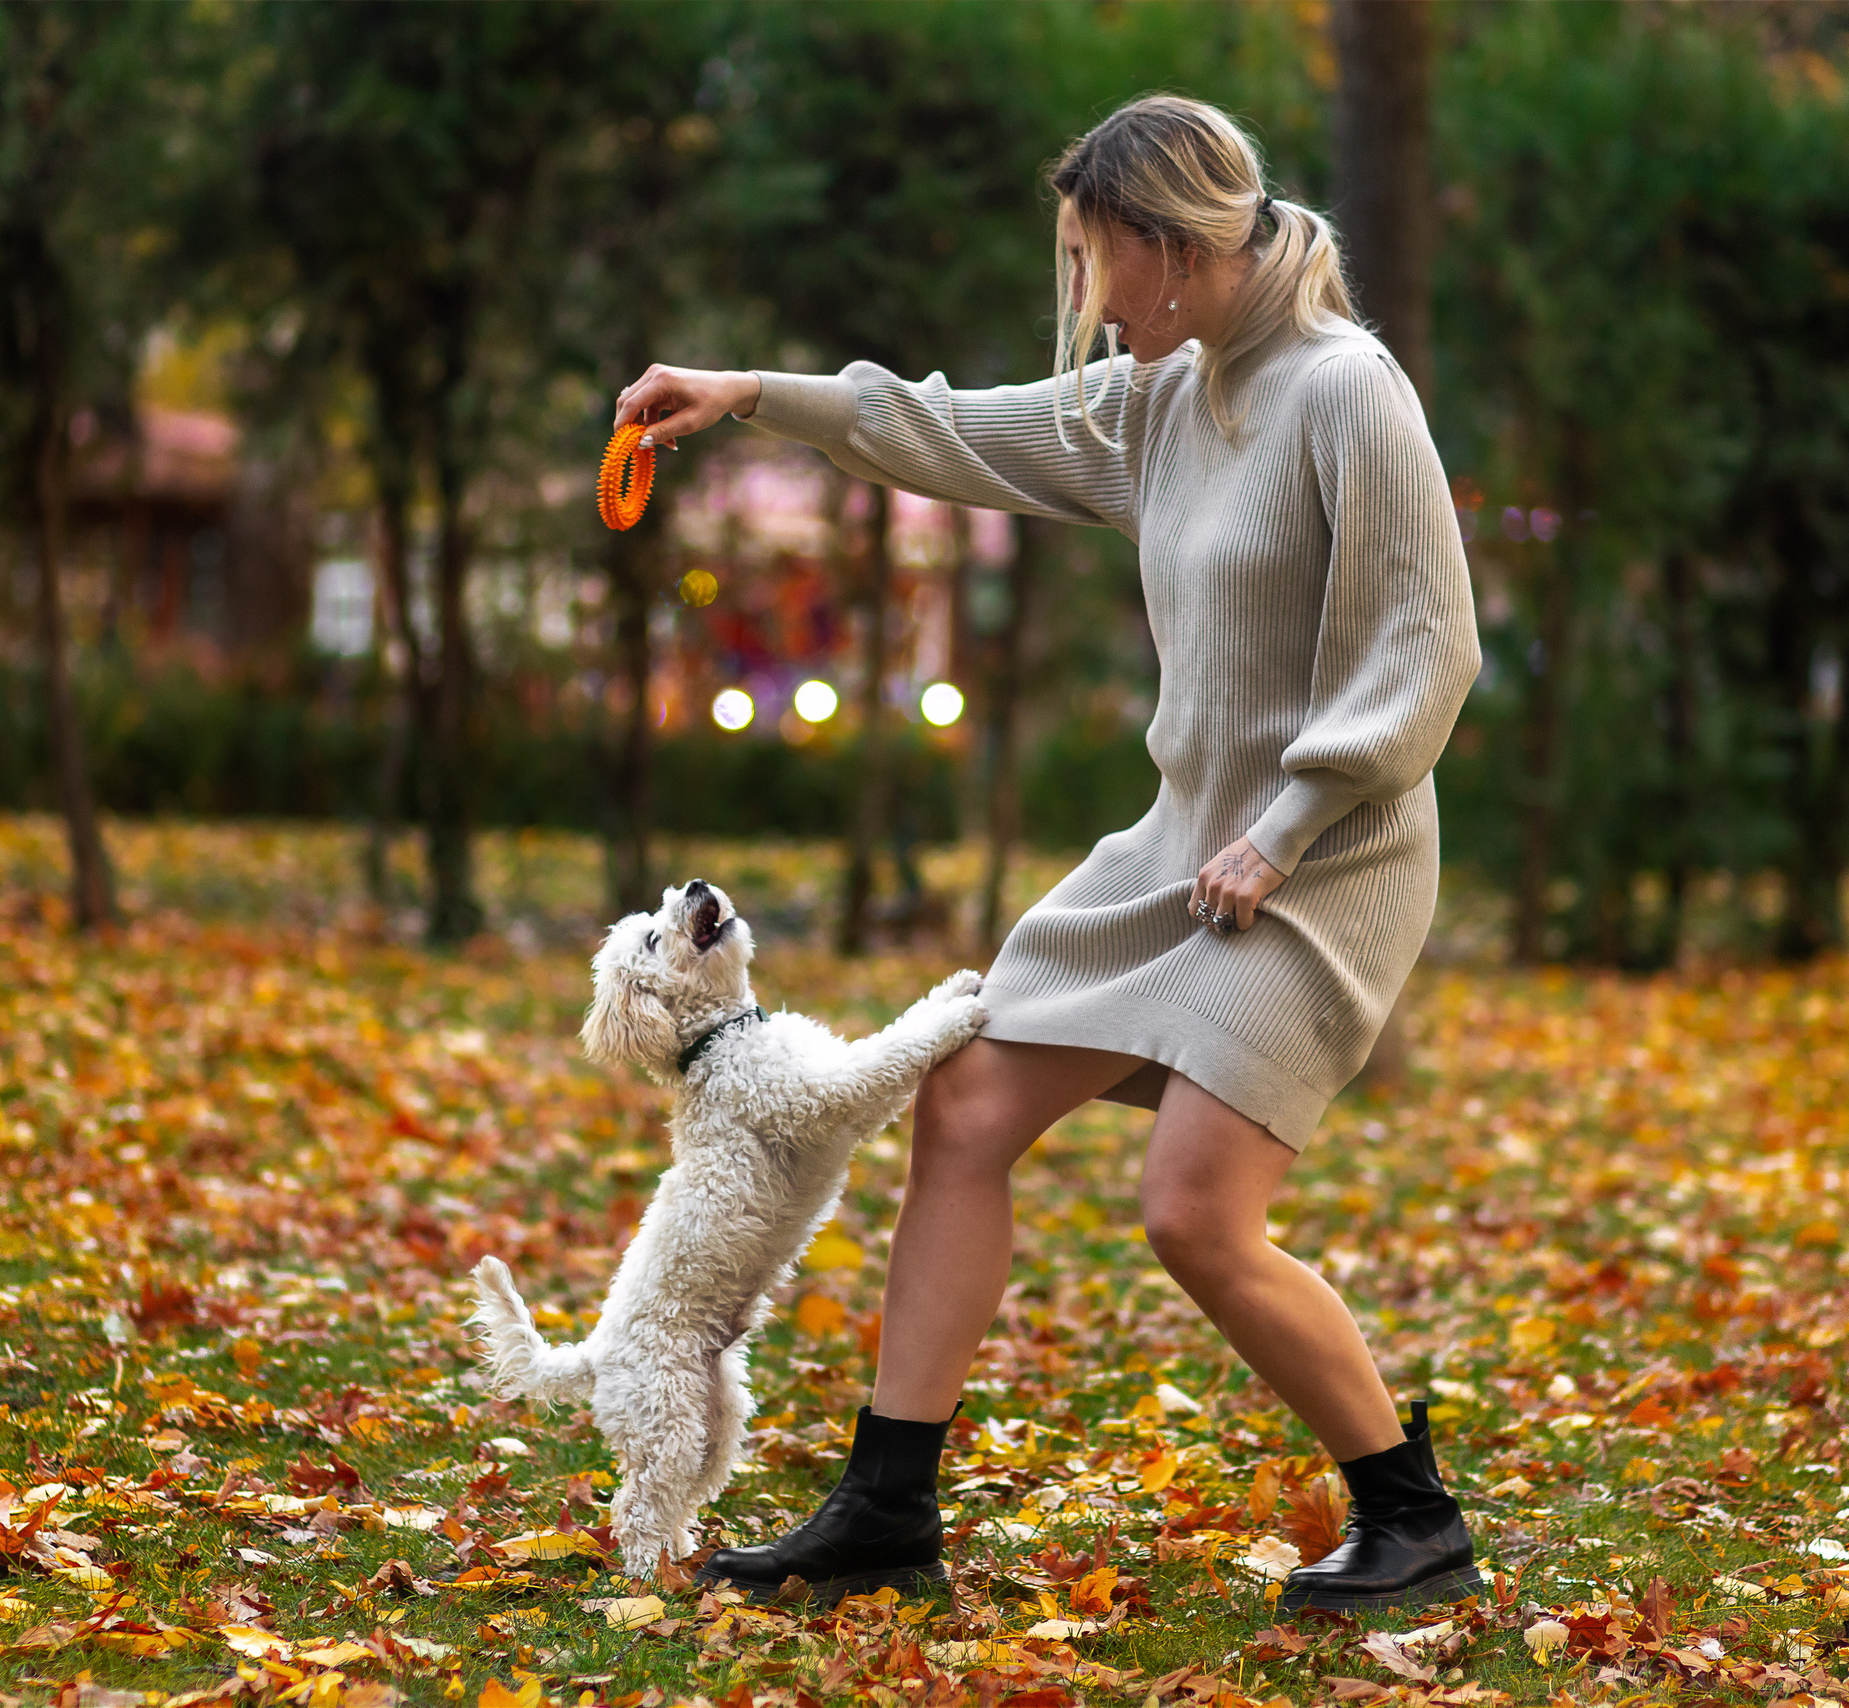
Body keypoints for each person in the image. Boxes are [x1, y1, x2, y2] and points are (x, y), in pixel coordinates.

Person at [611, 94, 1482, 1612]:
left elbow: (1430, 654)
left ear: (1166, 245)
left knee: (1193, 1215)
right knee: (962, 1105)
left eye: (1090, 261)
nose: (1080, 300)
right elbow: (954, 425)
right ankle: (888, 1512)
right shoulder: (1164, 397)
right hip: (1181, 850)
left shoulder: (1348, 392)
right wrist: (749, 392)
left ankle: (1412, 1517)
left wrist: (1282, 833)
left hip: (1325, 860)